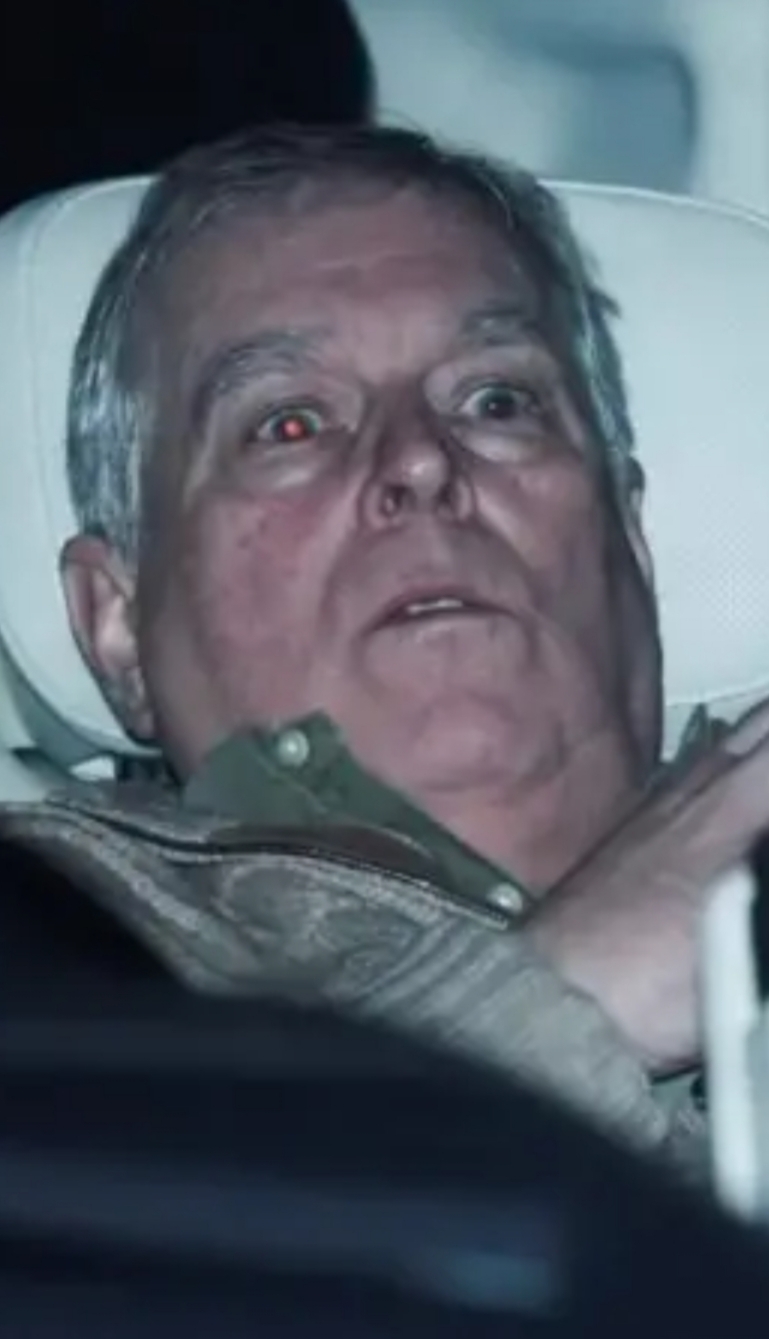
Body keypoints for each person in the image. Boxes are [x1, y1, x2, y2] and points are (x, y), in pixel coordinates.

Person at [4, 124, 769, 1175]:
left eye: (496, 400)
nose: (418, 460)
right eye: (289, 424)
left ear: (627, 537)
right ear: (117, 624)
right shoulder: (50, 951)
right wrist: (568, 1007)